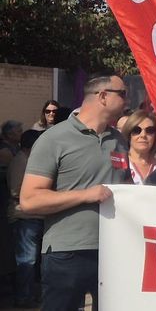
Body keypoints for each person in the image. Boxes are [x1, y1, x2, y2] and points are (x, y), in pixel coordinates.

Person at [20, 74, 130, 311]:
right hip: (66, 253)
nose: (127, 101)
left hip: (114, 250)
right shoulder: (54, 139)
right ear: (102, 96)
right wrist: (85, 195)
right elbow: (29, 200)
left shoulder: (119, 140)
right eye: (122, 94)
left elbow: (126, 186)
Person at [7, 129, 43, 308]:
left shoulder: (29, 160)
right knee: (27, 260)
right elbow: (15, 190)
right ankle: (23, 297)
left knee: (32, 261)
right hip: (23, 216)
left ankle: (30, 295)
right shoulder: (20, 161)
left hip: (34, 215)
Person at [120, 111, 156, 185]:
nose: (143, 135)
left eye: (149, 130)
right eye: (136, 130)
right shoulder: (118, 164)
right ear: (128, 133)